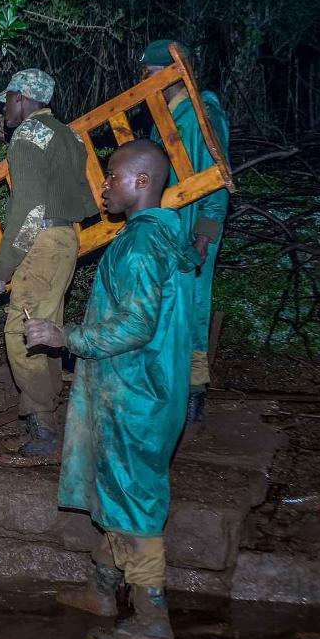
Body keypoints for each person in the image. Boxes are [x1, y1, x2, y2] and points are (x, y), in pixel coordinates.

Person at [24, 139, 202, 639]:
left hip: (133, 393)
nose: (104, 187)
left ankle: (151, 618)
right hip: (153, 388)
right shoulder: (169, 237)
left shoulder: (140, 245)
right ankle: (101, 590)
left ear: (142, 181)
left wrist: (66, 337)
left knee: (136, 500)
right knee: (123, 490)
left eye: (112, 177)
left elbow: (136, 325)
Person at [0, 69, 101, 459]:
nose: (4, 110)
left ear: (21, 98)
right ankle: (48, 412)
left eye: (8, 101)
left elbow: (30, 211)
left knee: (21, 335)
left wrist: (2, 267)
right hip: (67, 239)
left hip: (42, 241)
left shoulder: (27, 137)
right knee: (46, 328)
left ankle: (42, 426)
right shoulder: (71, 135)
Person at [139, 40, 230, 424]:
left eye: (148, 74)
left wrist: (204, 237)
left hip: (193, 232)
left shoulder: (202, 116)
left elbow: (218, 181)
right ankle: (163, 388)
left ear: (172, 72)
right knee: (160, 307)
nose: (142, 82)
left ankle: (194, 393)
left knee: (191, 307)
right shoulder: (166, 117)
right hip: (166, 228)